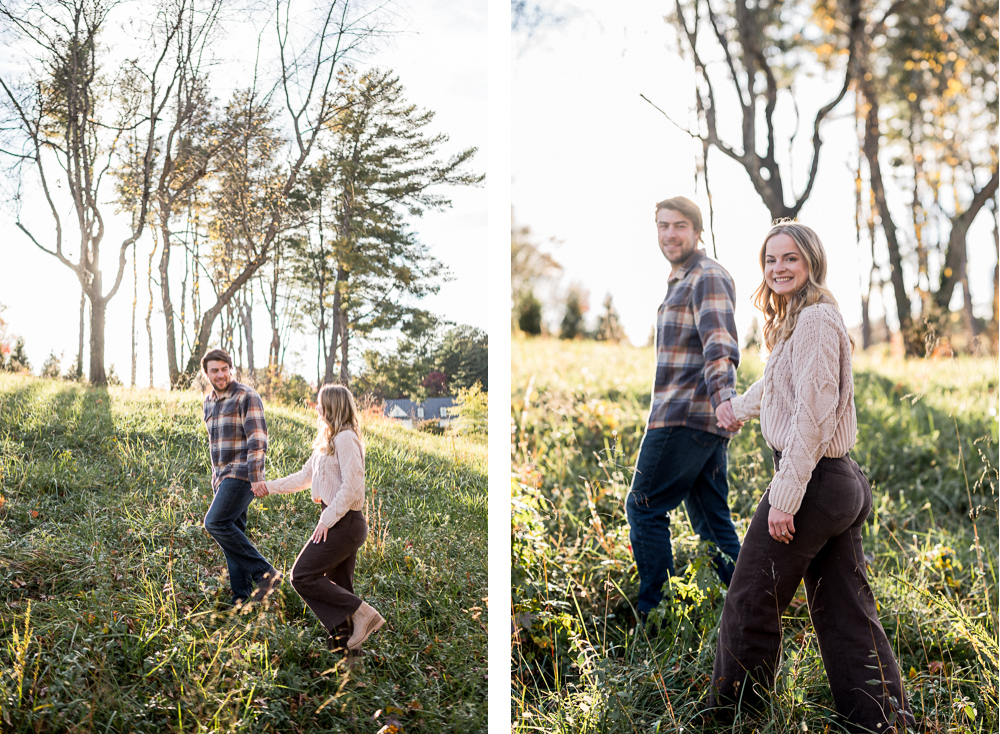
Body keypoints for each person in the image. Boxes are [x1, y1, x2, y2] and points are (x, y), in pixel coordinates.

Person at [707, 222, 915, 733]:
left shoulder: (818, 319)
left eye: (790, 259)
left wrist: (786, 494)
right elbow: (781, 387)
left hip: (816, 482)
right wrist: (736, 408)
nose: (778, 268)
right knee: (846, 612)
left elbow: (815, 414)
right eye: (770, 260)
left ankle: (735, 718)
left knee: (751, 598)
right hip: (834, 482)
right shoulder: (802, 321)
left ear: (811, 264)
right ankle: (883, 722)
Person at [626, 196, 743, 620]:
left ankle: (655, 615)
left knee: (642, 505)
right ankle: (752, 609)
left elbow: (720, 345)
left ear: (697, 231)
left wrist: (723, 398)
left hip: (684, 415)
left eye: (679, 226)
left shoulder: (707, 276)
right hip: (698, 418)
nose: (670, 234)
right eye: (662, 226)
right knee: (713, 524)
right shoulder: (681, 279)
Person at [254, 384, 385, 655]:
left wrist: (326, 519)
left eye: (320, 404)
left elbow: (353, 488)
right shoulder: (327, 441)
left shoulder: (346, 438)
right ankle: (348, 661)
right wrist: (268, 486)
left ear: (334, 406)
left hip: (344, 521)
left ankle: (362, 612)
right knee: (339, 588)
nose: (316, 408)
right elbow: (304, 478)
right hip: (338, 519)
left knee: (301, 575)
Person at [201, 348, 283, 608]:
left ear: (230, 368)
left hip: (242, 474)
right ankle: (241, 598)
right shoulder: (209, 402)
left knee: (214, 523)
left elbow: (257, 440)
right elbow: (215, 445)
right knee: (232, 535)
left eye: (225, 368)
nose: (221, 374)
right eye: (215, 370)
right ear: (207, 373)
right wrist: (216, 480)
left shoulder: (246, 395)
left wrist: (256, 477)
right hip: (223, 478)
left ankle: (267, 575)